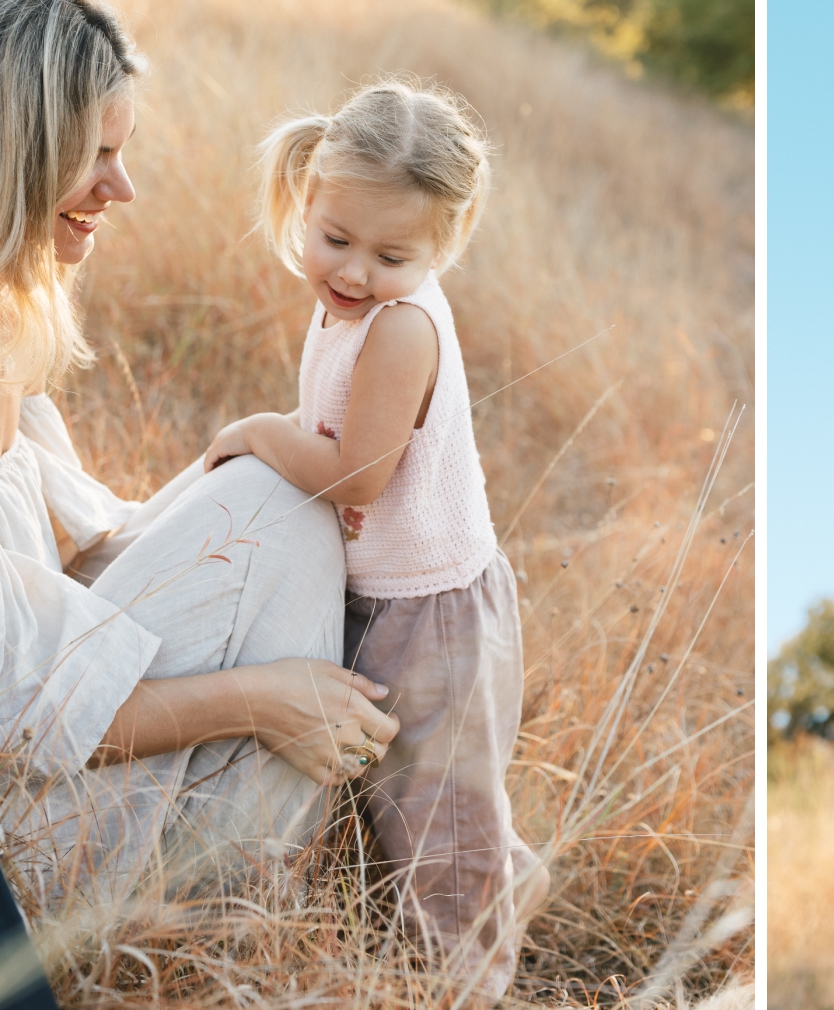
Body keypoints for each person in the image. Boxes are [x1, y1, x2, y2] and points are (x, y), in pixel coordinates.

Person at [0, 0, 399, 917]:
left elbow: (76, 559)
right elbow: (21, 718)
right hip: (21, 857)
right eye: (96, 156)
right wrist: (262, 698)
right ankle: (256, 900)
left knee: (276, 491)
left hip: (45, 792)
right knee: (279, 497)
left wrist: (238, 488)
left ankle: (329, 843)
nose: (122, 188)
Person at [200, 77, 546, 997]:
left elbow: (357, 475)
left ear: (447, 241)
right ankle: (509, 875)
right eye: (336, 239)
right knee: (384, 795)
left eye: (391, 254)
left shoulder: (400, 329)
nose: (352, 271)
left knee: (439, 830)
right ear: (307, 199)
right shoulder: (349, 303)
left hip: (434, 614)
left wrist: (262, 432)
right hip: (381, 593)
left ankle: (468, 980)